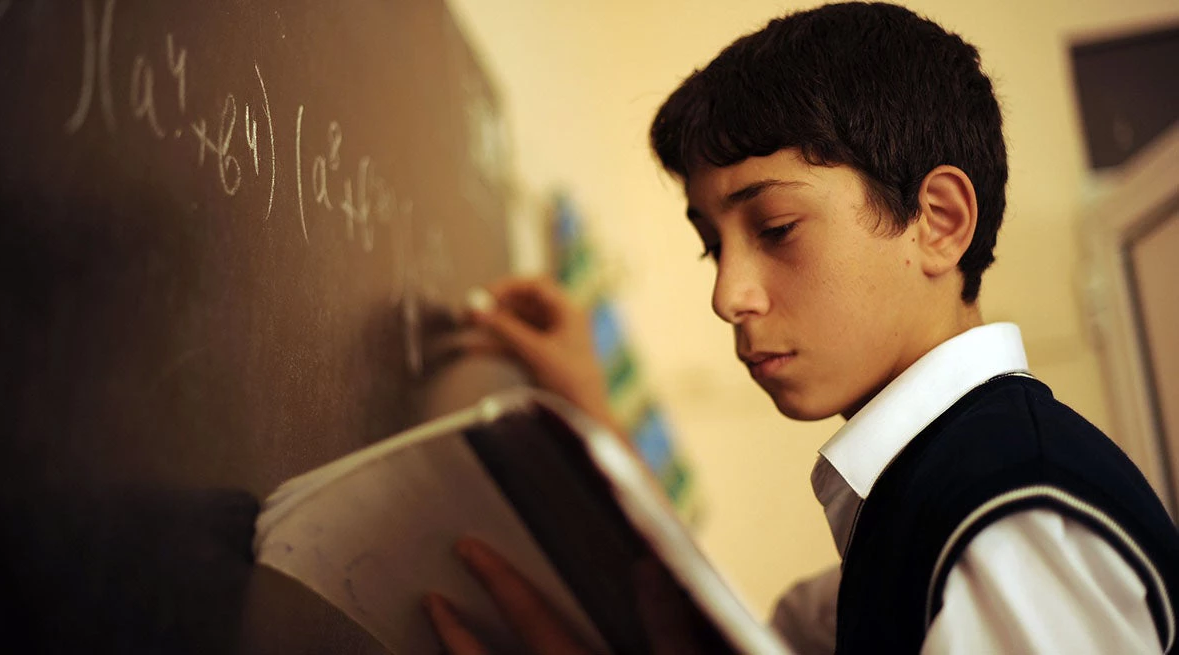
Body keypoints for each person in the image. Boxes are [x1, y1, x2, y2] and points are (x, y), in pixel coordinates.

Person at [424, 2, 1179, 653]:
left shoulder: (1013, 521)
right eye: (711, 244)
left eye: (777, 227)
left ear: (938, 222)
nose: (728, 294)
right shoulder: (931, 496)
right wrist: (594, 414)